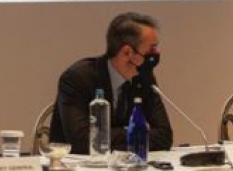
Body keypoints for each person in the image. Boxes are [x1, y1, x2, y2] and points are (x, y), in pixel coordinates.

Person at [49, 12, 173, 154]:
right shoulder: (77, 78)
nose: (156, 53)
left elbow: (164, 136)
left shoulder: (144, 78)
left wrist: (109, 137)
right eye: (151, 49)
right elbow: (81, 141)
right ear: (127, 53)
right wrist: (134, 131)